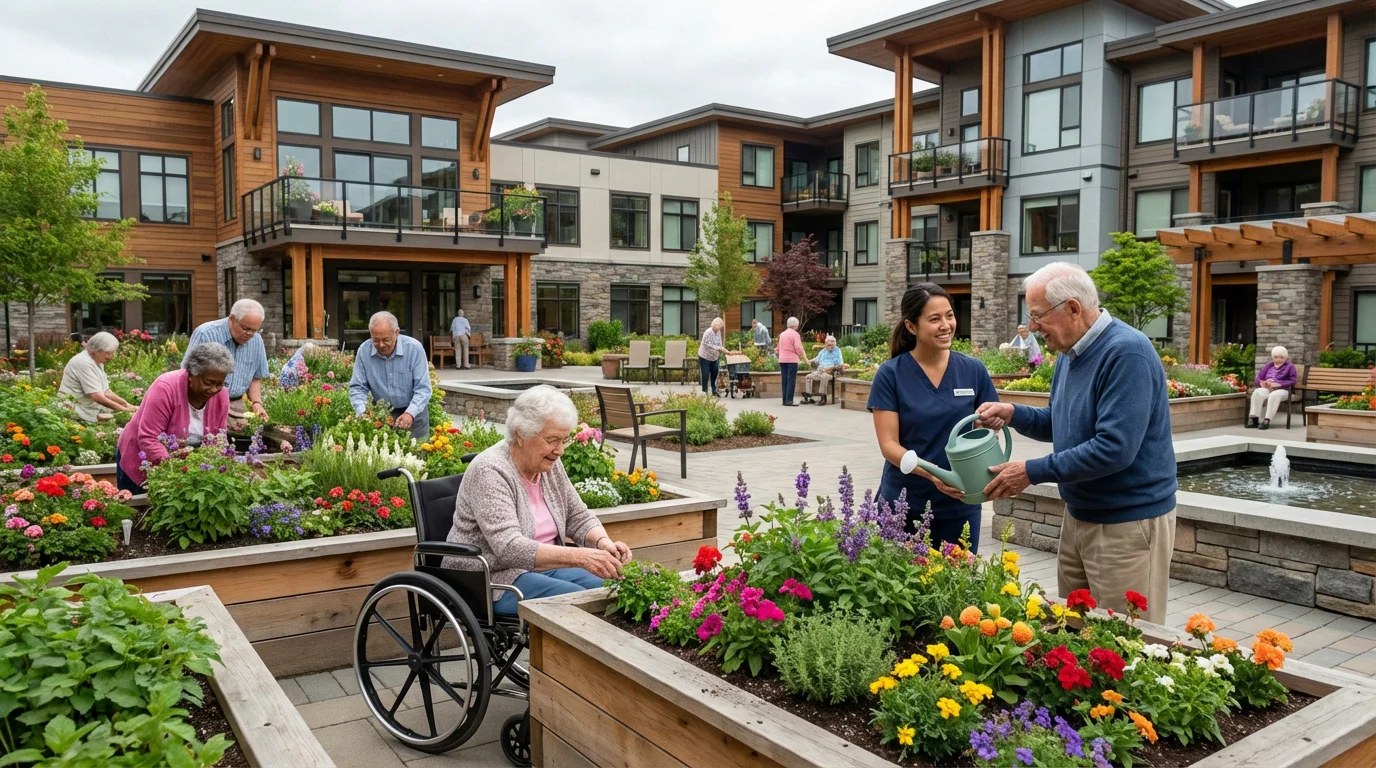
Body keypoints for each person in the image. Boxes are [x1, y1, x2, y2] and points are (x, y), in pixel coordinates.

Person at [976, 262, 1175, 624]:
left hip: (1126, 523)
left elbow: (1114, 448)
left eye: (1037, 316)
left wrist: (1031, 471)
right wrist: (1013, 413)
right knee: (1076, 634)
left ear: (1072, 308)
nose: (1032, 327)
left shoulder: (1126, 353)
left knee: (1126, 643)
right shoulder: (1071, 351)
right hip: (1080, 515)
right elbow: (1061, 420)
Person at [444, 385, 632, 615]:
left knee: (612, 589)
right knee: (576, 603)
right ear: (521, 435)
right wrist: (582, 557)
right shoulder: (490, 470)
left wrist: (603, 543)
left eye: (564, 440)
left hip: (542, 569)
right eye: (553, 439)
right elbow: (510, 548)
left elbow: (577, 515)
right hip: (491, 578)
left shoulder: (547, 464)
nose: (560, 450)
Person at [869, 283, 998, 551]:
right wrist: (933, 475)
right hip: (904, 507)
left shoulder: (972, 370)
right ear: (911, 326)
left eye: (949, 315)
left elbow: (986, 431)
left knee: (959, 586)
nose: (946, 325)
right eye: (935, 319)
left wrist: (990, 425)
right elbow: (889, 446)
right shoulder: (891, 375)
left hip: (959, 504)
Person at [114, 343, 233, 494]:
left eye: (219, 384)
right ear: (192, 375)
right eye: (208, 383)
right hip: (141, 459)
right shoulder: (166, 387)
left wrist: (217, 468)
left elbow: (218, 439)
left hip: (185, 469)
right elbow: (149, 438)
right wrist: (176, 473)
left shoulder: (221, 396)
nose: (214, 389)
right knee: (140, 512)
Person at [183, 299, 269, 428]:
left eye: (254, 330)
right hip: (206, 401)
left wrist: (257, 403)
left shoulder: (256, 341)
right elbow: (188, 373)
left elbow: (255, 377)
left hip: (237, 405)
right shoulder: (205, 334)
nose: (250, 335)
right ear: (232, 319)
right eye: (246, 329)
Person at [349, 311, 433, 440]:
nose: (381, 345)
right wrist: (362, 412)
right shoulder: (364, 350)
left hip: (414, 414)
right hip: (382, 414)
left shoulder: (414, 348)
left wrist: (410, 413)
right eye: (375, 340)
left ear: (397, 332)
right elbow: (357, 387)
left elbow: (423, 388)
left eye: (386, 339)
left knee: (418, 456)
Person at [59, 332, 136, 423]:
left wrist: (127, 405)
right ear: (97, 350)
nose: (110, 357)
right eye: (107, 353)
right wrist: (123, 410)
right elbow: (96, 396)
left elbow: (106, 391)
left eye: (112, 353)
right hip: (73, 411)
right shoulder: (83, 362)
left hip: (86, 408)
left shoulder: (97, 362)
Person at [1248, 346, 1297, 430]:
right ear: (1272, 357)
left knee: (1274, 395)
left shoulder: (1290, 366)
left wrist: (1279, 384)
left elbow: (1293, 380)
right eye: (1276, 357)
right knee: (1257, 392)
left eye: (1281, 357)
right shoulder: (1269, 365)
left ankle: (1267, 420)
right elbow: (1258, 378)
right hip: (1268, 388)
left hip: (1283, 390)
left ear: (1286, 357)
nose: (1278, 359)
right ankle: (1254, 419)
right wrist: (1261, 382)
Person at [776, 317, 810, 407]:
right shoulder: (795, 334)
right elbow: (798, 348)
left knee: (784, 380)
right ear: (795, 325)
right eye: (797, 325)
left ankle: (784, 400)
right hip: (792, 360)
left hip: (782, 359)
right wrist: (801, 356)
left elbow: (778, 348)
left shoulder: (782, 334)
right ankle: (789, 400)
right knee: (791, 380)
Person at [803, 335, 844, 405]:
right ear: (825, 343)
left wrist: (830, 368)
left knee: (824, 376)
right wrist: (808, 361)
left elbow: (841, 364)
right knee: (808, 377)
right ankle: (809, 397)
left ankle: (823, 398)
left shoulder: (837, 351)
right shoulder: (823, 351)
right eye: (828, 342)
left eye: (831, 342)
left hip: (830, 372)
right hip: (820, 370)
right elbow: (816, 359)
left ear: (835, 343)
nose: (829, 343)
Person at [698, 318, 728, 397]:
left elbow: (719, 343)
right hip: (705, 356)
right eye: (716, 327)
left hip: (714, 357)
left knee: (715, 372)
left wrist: (721, 348)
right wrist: (719, 348)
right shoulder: (708, 332)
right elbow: (708, 344)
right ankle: (704, 390)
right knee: (705, 373)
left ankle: (714, 389)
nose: (717, 329)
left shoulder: (718, 332)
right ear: (713, 325)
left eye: (719, 327)